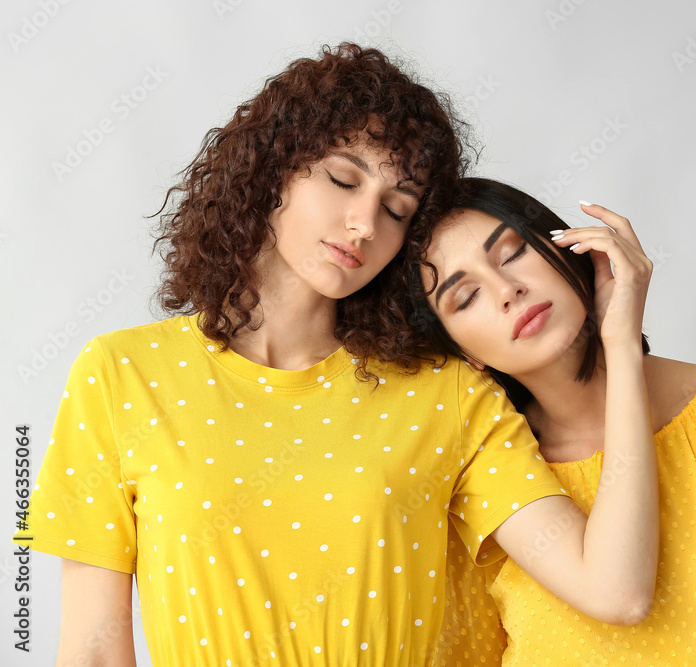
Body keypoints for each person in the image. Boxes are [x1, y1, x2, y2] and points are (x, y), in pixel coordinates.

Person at [14, 46, 661, 667]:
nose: (363, 224)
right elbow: (94, 649)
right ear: (273, 169)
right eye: (344, 179)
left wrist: (619, 343)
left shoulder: (446, 394)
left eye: (396, 209)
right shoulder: (122, 375)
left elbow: (616, 590)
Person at [406, 178, 696, 666]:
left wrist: (621, 344)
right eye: (465, 298)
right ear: (462, 353)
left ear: (567, 245)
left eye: (513, 252)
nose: (507, 290)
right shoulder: (487, 483)